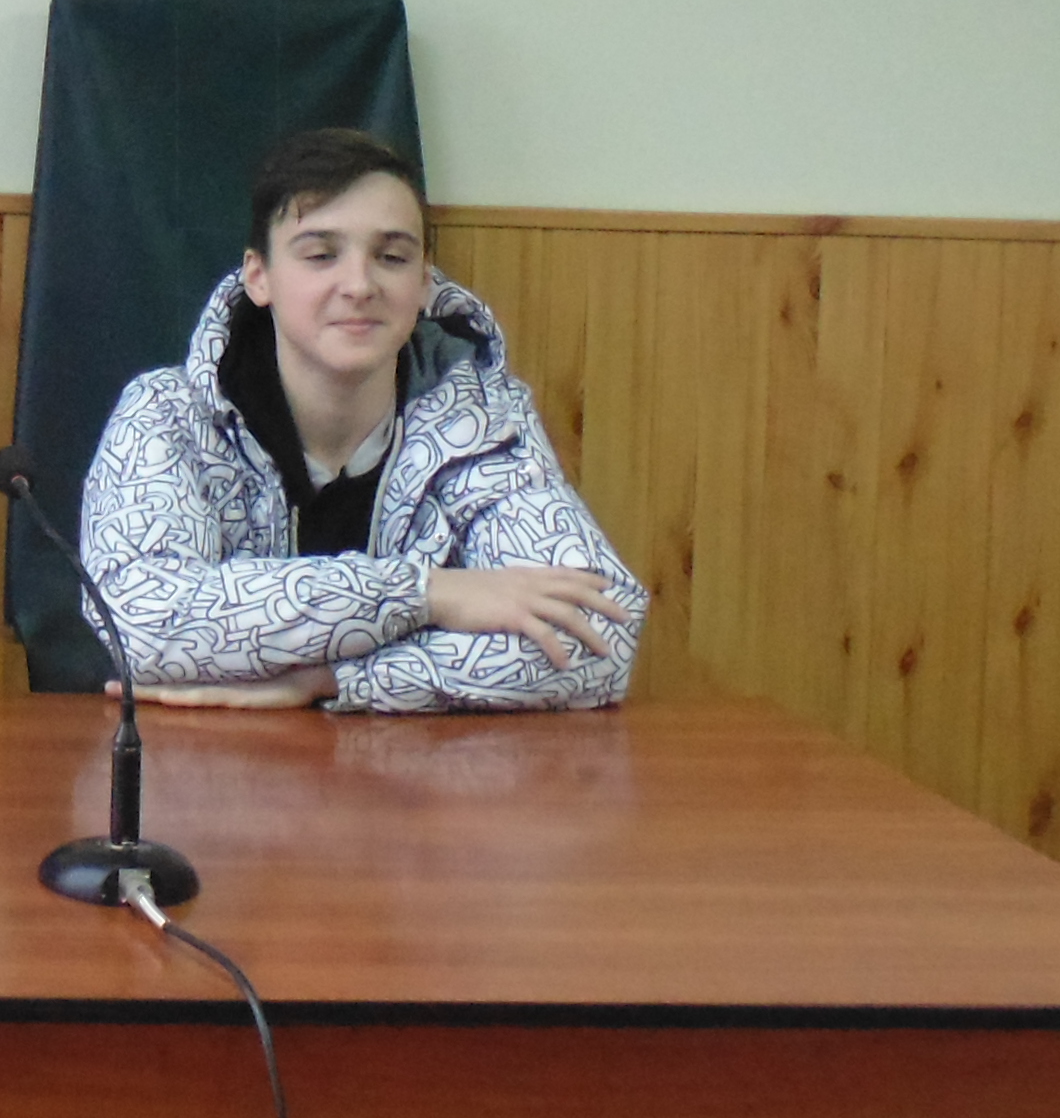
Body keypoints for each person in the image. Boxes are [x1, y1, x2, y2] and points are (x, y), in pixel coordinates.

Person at [79, 124, 642, 711]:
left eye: (391, 257)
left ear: (423, 281)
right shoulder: (166, 414)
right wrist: (426, 594)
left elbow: (600, 638)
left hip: (413, 766)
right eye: (321, 255)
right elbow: (140, 622)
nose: (359, 285)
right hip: (205, 762)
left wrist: (334, 681)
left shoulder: (486, 422)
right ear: (258, 277)